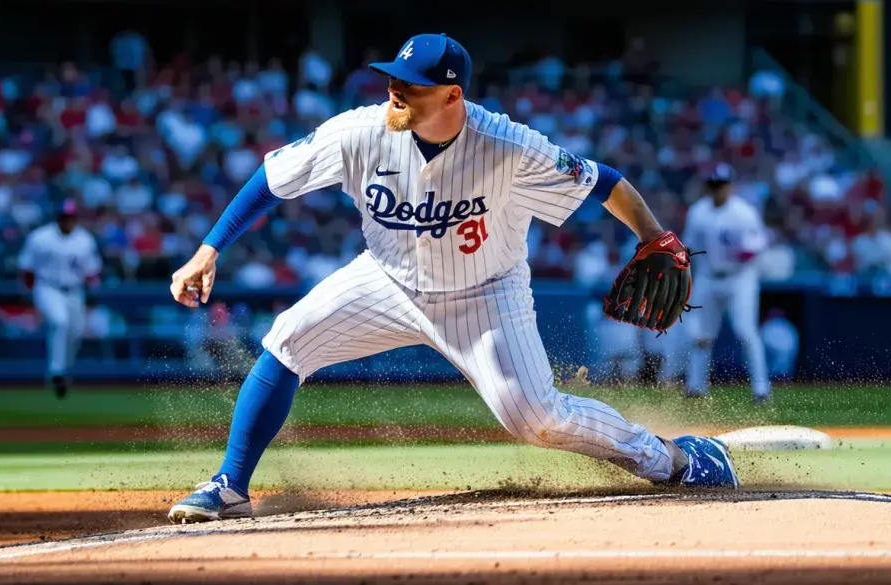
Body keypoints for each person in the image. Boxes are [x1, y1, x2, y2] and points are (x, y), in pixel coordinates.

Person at [166, 34, 739, 524]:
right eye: (393, 78)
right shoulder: (360, 132)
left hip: (487, 295)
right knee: (287, 340)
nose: (395, 90)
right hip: (388, 282)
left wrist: (654, 235)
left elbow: (602, 180)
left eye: (410, 84)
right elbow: (272, 178)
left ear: (452, 94)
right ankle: (230, 484)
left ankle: (676, 460)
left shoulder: (507, 146)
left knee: (536, 419)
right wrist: (208, 249)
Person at [681, 164, 772, 404]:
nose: (718, 190)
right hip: (708, 276)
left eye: (721, 185)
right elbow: (689, 247)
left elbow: (758, 244)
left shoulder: (744, 212)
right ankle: (695, 387)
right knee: (702, 335)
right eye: (713, 185)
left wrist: (747, 253)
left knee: (746, 332)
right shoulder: (698, 211)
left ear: (731, 186)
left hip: (739, 278)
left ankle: (761, 389)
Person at [17, 199, 102, 398]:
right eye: (64, 218)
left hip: (74, 290)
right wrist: (31, 297)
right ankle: (56, 372)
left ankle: (64, 371)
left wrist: (91, 297)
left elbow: (92, 273)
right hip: (48, 287)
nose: (67, 221)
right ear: (57, 218)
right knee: (59, 321)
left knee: (76, 332)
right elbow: (26, 268)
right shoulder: (40, 238)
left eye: (70, 218)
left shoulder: (85, 240)